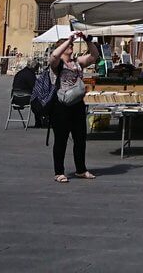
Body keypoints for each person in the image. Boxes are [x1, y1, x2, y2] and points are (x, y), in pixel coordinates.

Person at [49, 32, 97, 183]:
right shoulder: (58, 65)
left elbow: (94, 56)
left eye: (71, 45)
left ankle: (81, 169)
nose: (71, 46)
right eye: (69, 45)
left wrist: (87, 40)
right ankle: (59, 172)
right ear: (62, 47)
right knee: (61, 140)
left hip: (77, 104)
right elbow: (54, 56)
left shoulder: (77, 62)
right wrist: (68, 40)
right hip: (61, 106)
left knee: (80, 138)